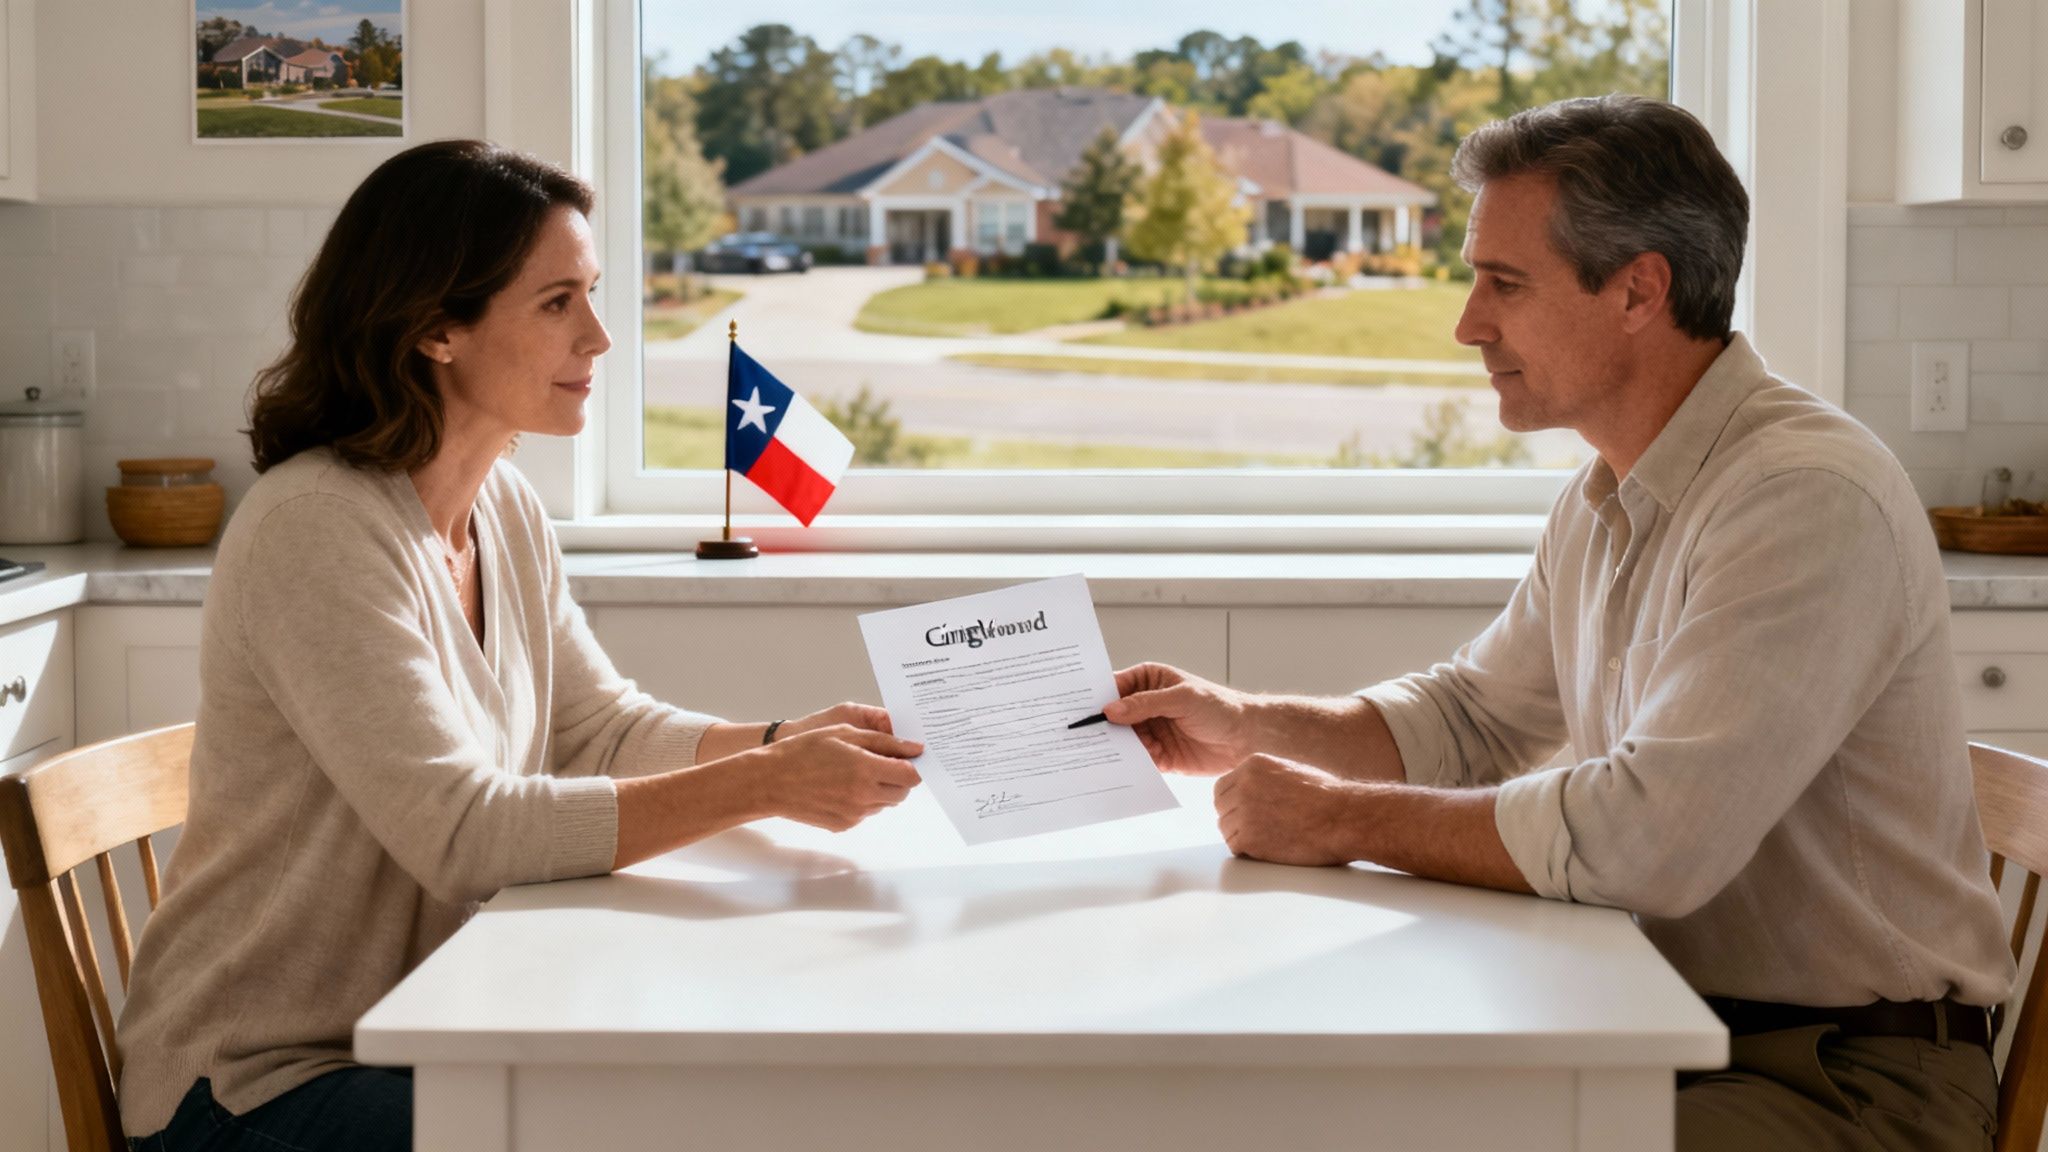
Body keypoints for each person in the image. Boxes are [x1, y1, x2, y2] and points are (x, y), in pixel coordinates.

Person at [1107, 95, 2013, 1151]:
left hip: (1848, 1081)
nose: (1466, 323)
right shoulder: (1606, 492)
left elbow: (1648, 841)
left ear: (1637, 289)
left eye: (1504, 283)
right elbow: (1472, 721)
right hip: (1672, 1025)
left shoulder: (1804, 498)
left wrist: (1337, 819)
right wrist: (1247, 722)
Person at [115, 140, 925, 1152]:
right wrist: (766, 783)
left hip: (434, 1029)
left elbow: (594, 726)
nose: (598, 336)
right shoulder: (314, 526)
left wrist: (775, 739)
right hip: (257, 1079)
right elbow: (461, 836)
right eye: (555, 304)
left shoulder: (497, 501)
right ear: (434, 328)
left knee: (706, 1101)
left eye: (590, 295)